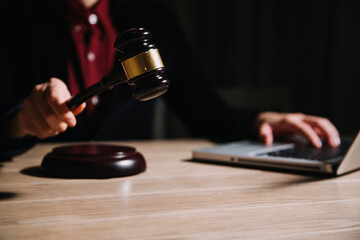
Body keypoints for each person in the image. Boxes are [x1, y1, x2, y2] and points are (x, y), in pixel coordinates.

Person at [0, 0, 340, 160]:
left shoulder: (153, 19)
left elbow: (203, 108)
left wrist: (259, 120)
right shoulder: (12, 18)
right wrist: (19, 123)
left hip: (131, 194)